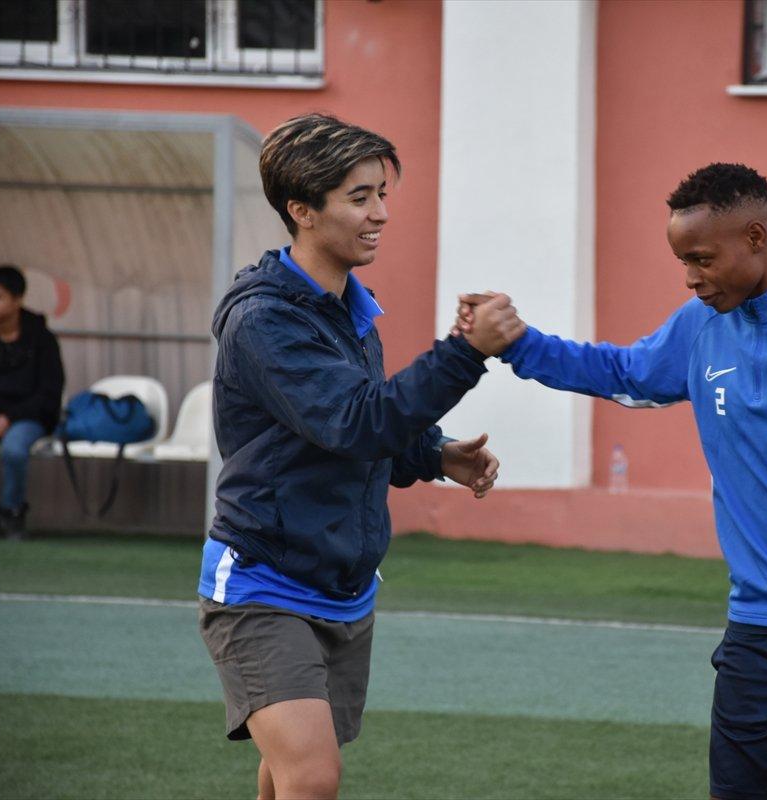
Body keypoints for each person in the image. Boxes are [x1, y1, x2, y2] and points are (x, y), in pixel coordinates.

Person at [456, 163, 767, 800]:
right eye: (681, 262)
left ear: (755, 236)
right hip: (759, 630)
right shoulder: (700, 327)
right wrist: (519, 343)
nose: (691, 278)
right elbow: (624, 372)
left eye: (701, 258)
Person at [197, 113, 524, 800]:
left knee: (288, 772)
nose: (381, 213)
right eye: (360, 196)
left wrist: (434, 455)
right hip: (263, 585)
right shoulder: (266, 321)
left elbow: (350, 431)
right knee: (313, 778)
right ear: (301, 210)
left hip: (343, 587)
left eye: (382, 193)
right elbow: (353, 421)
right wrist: (466, 352)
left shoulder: (346, 307)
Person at [0, 264, 65, 540]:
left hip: (27, 418)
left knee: (14, 448)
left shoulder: (42, 340)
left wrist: (8, 418)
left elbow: (49, 393)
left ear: (18, 299)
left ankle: (12, 512)